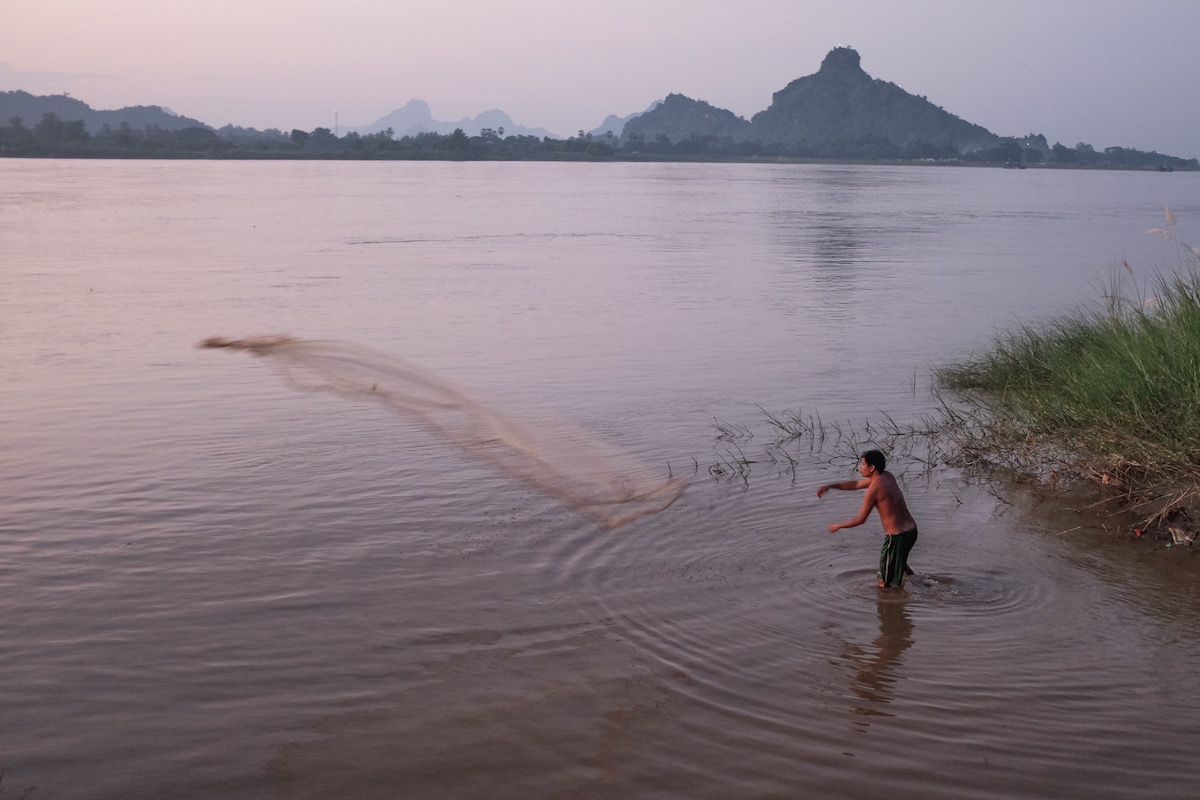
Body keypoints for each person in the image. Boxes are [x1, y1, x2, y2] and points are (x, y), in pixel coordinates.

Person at [817, 450, 917, 588]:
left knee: (883, 582)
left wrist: (838, 526)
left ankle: (893, 604)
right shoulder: (887, 477)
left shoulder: (873, 490)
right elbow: (856, 484)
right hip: (911, 531)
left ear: (872, 468)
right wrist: (832, 486)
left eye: (863, 464)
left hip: (897, 537)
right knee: (898, 561)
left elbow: (860, 519)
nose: (860, 467)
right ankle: (920, 584)